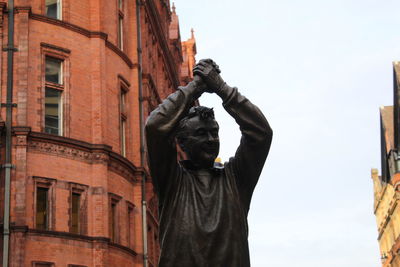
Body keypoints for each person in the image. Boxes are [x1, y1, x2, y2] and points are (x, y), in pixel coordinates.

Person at [145, 59, 273, 267]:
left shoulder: (236, 179)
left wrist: (221, 88)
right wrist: (196, 86)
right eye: (201, 133)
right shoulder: (172, 182)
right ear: (182, 142)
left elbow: (261, 133)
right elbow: (155, 126)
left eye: (214, 132)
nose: (211, 139)